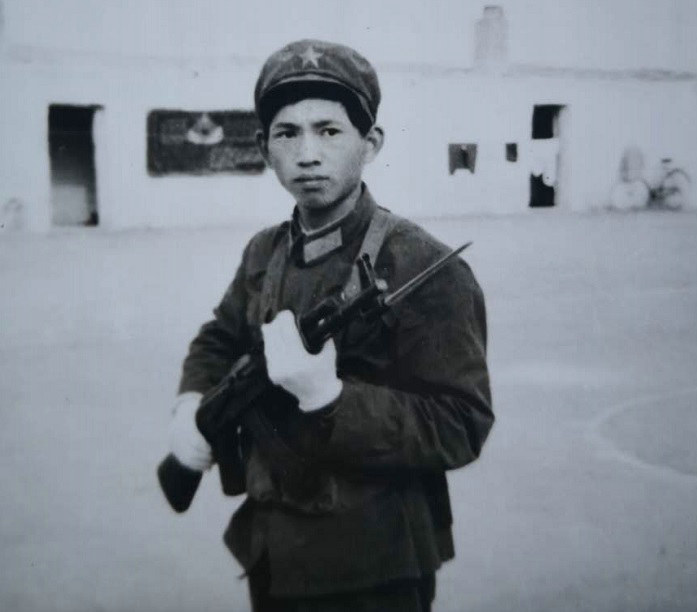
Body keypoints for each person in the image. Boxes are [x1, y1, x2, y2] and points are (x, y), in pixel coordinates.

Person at [167, 39, 494, 612]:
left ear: (371, 143)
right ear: (264, 148)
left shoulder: (423, 266)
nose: (307, 154)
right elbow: (220, 337)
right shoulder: (264, 252)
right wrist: (191, 406)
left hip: (374, 567)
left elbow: (462, 423)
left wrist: (332, 399)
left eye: (329, 131)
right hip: (272, 552)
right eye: (287, 133)